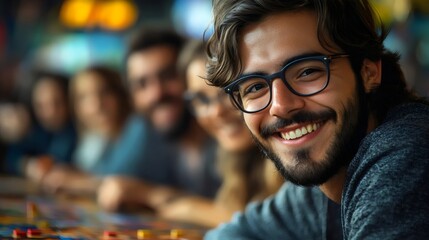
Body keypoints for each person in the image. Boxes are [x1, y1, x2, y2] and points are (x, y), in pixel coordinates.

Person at [204, 0, 429, 239]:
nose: (280, 106)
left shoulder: (406, 154)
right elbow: (233, 234)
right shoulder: (323, 185)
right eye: (255, 87)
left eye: (307, 71)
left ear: (368, 72)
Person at [156, 40, 284, 227]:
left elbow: (277, 228)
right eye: (201, 99)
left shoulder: (293, 157)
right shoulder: (229, 161)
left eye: (227, 91)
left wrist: (191, 210)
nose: (216, 111)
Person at [97, 29, 221, 212]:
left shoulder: (228, 132)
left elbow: (241, 217)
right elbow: (114, 184)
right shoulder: (150, 135)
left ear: (192, 75)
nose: (156, 94)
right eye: (141, 84)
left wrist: (149, 195)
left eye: (168, 75)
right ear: (131, 97)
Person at [4, 71, 77, 183]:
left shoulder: (78, 131)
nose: (50, 112)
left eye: (57, 102)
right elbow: (12, 157)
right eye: (41, 105)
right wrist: (27, 165)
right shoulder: (35, 130)